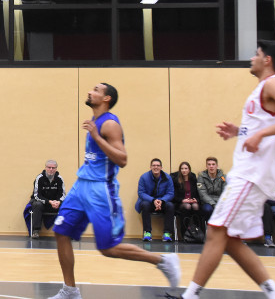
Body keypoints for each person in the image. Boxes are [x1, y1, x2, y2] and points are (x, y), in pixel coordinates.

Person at [167, 40, 275, 299]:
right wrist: (240, 132)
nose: (252, 58)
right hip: (248, 174)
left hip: (251, 175)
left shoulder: (274, 83)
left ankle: (190, 295)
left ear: (267, 60)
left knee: (214, 231)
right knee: (230, 240)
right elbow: (262, 127)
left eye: (257, 54)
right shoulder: (262, 90)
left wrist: (262, 132)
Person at [47, 83, 180, 299]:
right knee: (61, 232)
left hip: (101, 190)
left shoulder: (109, 124)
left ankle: (163, 261)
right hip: (81, 186)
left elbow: (123, 159)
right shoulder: (96, 122)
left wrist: (98, 138)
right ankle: (70, 291)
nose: (90, 91)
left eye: (96, 90)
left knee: (108, 248)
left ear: (106, 98)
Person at [136, 158, 175, 242]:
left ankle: (167, 233)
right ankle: (147, 232)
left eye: (158, 165)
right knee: (144, 205)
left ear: (161, 167)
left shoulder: (167, 178)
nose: (156, 167)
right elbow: (141, 193)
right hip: (149, 202)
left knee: (171, 206)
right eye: (154, 165)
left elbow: (171, 193)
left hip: (162, 202)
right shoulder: (144, 177)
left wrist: (162, 201)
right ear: (150, 167)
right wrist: (153, 200)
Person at [29, 159, 66, 238]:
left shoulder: (60, 179)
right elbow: (37, 195)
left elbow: (62, 194)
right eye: (49, 167)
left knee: (68, 205)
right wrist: (49, 202)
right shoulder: (39, 178)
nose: (51, 170)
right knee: (37, 204)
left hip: (55, 203)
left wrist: (58, 202)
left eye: (53, 168)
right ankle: (36, 231)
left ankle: (66, 232)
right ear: (45, 168)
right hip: (42, 202)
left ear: (56, 169)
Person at [172, 161, 201, 239]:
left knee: (195, 206)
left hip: (191, 201)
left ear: (189, 170)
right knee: (187, 206)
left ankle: (197, 231)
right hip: (180, 203)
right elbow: (174, 196)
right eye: (182, 169)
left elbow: (198, 193)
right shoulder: (176, 180)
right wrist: (182, 200)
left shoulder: (193, 179)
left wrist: (196, 199)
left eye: (186, 168)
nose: (184, 170)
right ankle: (185, 232)